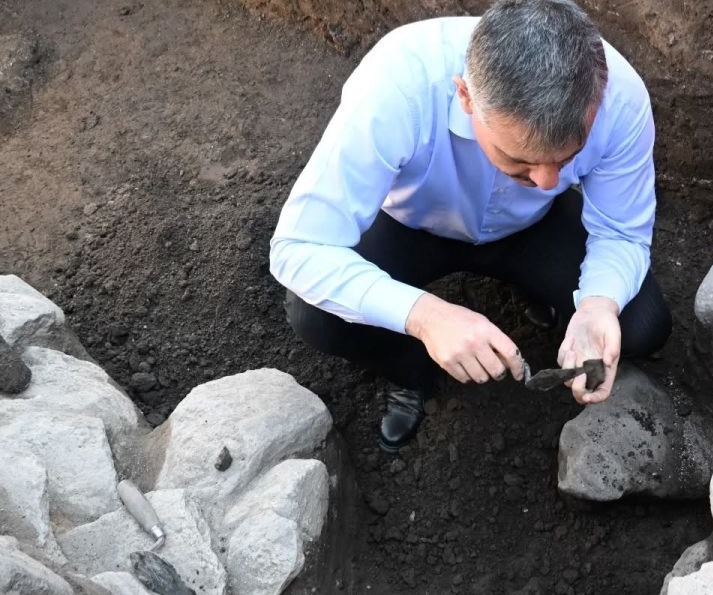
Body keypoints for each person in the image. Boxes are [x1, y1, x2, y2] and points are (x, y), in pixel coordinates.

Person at [269, 0, 671, 453]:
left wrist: (597, 306)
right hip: (410, 223)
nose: (547, 180)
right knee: (315, 315)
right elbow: (299, 247)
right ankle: (409, 371)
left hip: (531, 227)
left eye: (565, 159)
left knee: (641, 324)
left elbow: (621, 232)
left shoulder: (619, 98)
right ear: (465, 97)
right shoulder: (398, 83)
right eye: (520, 159)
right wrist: (424, 315)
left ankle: (552, 304)